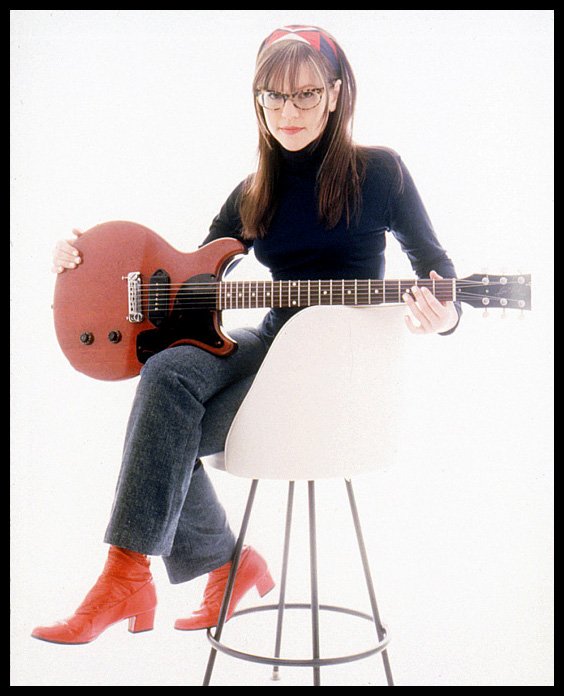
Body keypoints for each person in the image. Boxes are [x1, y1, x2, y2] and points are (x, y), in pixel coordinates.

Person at [33, 24, 461, 645]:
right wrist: (85, 262)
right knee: (168, 375)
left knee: (165, 431)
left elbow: (436, 268)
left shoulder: (380, 172)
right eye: (274, 96)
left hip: (338, 367)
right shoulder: (254, 192)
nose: (289, 111)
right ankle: (132, 574)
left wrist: (446, 315)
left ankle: (215, 569)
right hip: (272, 340)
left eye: (306, 94)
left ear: (335, 94)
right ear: (258, 99)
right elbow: (186, 278)